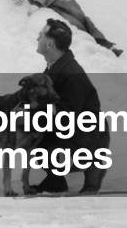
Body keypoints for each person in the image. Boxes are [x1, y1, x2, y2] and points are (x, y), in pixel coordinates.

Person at [29, 18, 109, 194]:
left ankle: (92, 176)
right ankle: (55, 181)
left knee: (39, 141)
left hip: (88, 139)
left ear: (49, 44)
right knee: (29, 136)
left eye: (41, 35)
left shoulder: (71, 73)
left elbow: (67, 115)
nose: (37, 38)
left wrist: (35, 114)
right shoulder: (55, 67)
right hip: (69, 133)